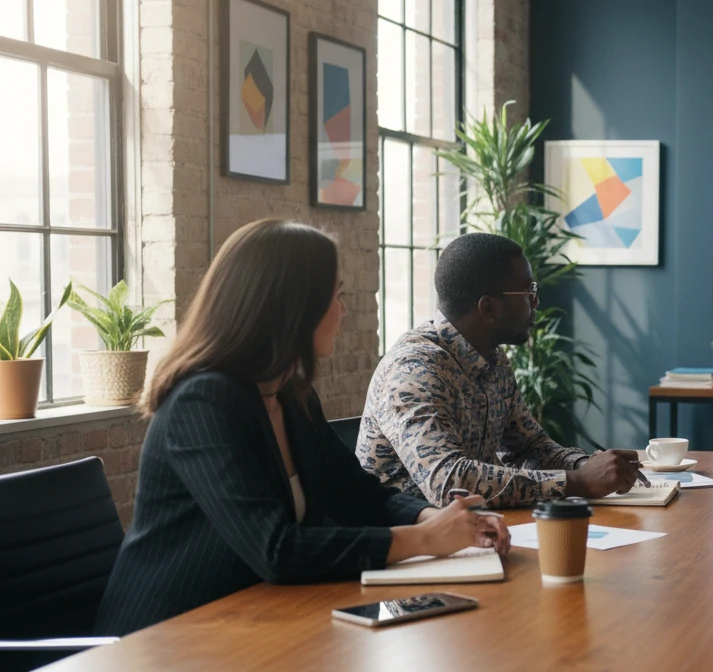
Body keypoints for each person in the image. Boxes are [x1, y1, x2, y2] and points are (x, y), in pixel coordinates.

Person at [96, 219, 508, 637]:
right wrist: (426, 540)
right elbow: (275, 548)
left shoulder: (291, 394)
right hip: (167, 635)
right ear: (293, 309)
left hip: (257, 618)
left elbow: (356, 492)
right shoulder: (202, 402)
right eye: (337, 296)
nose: (345, 310)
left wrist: (434, 517)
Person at [356, 233, 643, 507]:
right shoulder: (413, 369)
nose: (536, 301)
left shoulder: (492, 358)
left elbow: (528, 447)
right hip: (406, 542)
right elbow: (448, 483)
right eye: (528, 290)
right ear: (489, 308)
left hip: (472, 533)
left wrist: (588, 466)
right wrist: (576, 482)